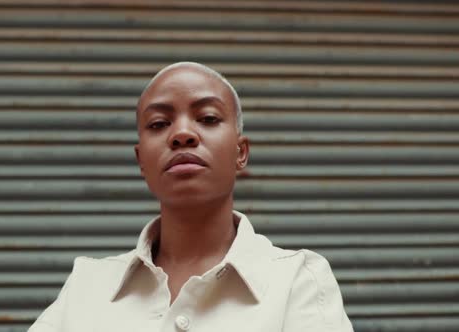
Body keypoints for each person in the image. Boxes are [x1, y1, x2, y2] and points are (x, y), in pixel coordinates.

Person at [28, 62, 354, 331]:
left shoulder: (298, 281)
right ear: (141, 160)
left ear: (241, 152)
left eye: (208, 118)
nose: (182, 134)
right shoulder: (88, 285)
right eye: (159, 123)